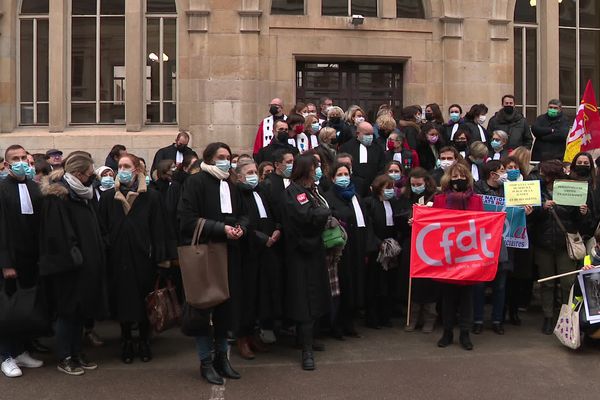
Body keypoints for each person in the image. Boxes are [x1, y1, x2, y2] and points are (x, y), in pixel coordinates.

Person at [178, 142, 247, 385]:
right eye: (221, 157)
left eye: (228, 157)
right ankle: (205, 361)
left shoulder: (231, 183)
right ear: (209, 159)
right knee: (204, 310)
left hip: (230, 252)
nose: (226, 161)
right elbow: (186, 220)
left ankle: (222, 358)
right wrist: (221, 228)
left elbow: (243, 213)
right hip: (206, 253)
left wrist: (241, 228)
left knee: (226, 311)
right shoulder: (195, 183)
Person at [99, 153, 176, 364]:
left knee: (145, 300)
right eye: (120, 166)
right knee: (123, 301)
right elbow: (102, 227)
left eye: (126, 166)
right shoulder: (108, 197)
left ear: (137, 169)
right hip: (118, 258)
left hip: (144, 258)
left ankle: (144, 339)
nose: (122, 169)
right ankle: (125, 340)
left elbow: (160, 229)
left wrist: (162, 259)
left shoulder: (151, 197)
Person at [40, 152, 108, 375]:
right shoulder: (59, 197)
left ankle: (77, 351)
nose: (92, 178)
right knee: (67, 312)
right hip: (69, 267)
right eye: (89, 174)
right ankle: (65, 356)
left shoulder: (82, 194)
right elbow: (57, 235)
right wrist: (75, 257)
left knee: (80, 312)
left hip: (86, 265)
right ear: (79, 174)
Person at [281, 153, 331, 370]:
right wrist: (325, 213)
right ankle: (306, 350)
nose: (317, 170)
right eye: (314, 166)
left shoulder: (312, 190)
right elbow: (308, 216)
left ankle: (307, 339)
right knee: (304, 300)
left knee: (315, 297)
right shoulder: (294, 192)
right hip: (300, 251)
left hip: (314, 251)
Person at [530, 160, 591, 334]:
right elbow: (530, 219)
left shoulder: (571, 190)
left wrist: (583, 213)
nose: (545, 177)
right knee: (547, 283)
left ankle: (567, 315)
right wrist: (541, 208)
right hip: (544, 244)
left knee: (568, 282)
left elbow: (580, 223)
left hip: (564, 244)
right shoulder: (538, 191)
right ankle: (548, 316)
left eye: (547, 175)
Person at [0, 145, 45, 378]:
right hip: (10, 260)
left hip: (31, 258)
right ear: (6, 165)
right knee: (7, 310)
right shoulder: (1, 189)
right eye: (14, 159)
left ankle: (21, 350)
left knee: (25, 309)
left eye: (23, 158)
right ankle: (5, 355)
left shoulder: (33, 187)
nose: (20, 163)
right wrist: (6, 262)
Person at [235, 159, 281, 360]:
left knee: (261, 294)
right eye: (249, 172)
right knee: (247, 295)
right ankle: (242, 337)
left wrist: (277, 229)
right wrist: (263, 239)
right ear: (239, 177)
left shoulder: (262, 191)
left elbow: (273, 213)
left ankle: (254, 333)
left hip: (267, 250)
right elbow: (241, 222)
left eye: (255, 171)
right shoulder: (237, 195)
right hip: (248, 251)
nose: (254, 175)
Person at [434, 162, 483, 351]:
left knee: (466, 298)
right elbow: (431, 224)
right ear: (448, 178)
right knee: (447, 298)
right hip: (446, 255)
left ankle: (465, 333)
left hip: (468, 256)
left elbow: (483, 225)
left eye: (463, 176)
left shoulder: (476, 201)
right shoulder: (439, 200)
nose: (459, 179)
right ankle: (447, 332)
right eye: (455, 176)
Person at [324, 162, 368, 339]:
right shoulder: (328, 196)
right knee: (340, 286)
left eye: (346, 174)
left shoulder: (356, 195)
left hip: (356, 245)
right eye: (340, 175)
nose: (344, 177)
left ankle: (350, 322)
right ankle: (336, 325)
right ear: (333, 178)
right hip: (340, 248)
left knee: (354, 285)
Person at [398, 167, 439, 332]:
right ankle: (412, 316)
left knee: (429, 281)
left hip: (430, 244)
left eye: (419, 184)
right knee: (412, 282)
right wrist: (408, 219)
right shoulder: (405, 197)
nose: (416, 187)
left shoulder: (435, 197)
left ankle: (430, 317)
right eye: (413, 184)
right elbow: (398, 216)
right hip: (411, 241)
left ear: (426, 182)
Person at [363, 174, 403, 329]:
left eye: (392, 187)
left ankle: (385, 315)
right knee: (374, 284)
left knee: (388, 283)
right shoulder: (370, 203)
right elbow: (368, 226)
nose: (390, 191)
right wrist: (378, 244)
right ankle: (372, 317)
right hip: (376, 249)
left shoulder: (393, 202)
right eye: (387, 188)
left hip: (391, 247)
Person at [339, 122, 385, 197]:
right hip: (353, 186)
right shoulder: (346, 147)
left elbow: (382, 167)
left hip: (373, 187)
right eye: (367, 134)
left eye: (371, 134)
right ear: (357, 133)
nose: (370, 137)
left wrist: (376, 183)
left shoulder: (378, 148)